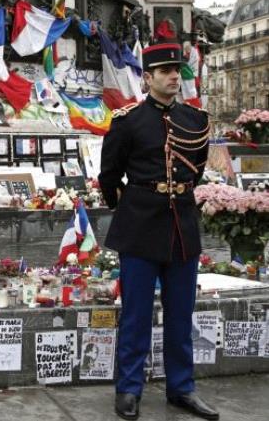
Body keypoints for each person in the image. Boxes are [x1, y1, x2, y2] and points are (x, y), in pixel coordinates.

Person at [99, 43, 217, 420]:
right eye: (164, 71)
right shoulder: (128, 120)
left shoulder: (195, 120)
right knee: (136, 315)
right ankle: (129, 389)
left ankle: (181, 388)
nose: (172, 77)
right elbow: (109, 174)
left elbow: (195, 170)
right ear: (147, 77)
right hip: (139, 227)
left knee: (182, 315)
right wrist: (133, 206)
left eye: (176, 71)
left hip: (182, 227)